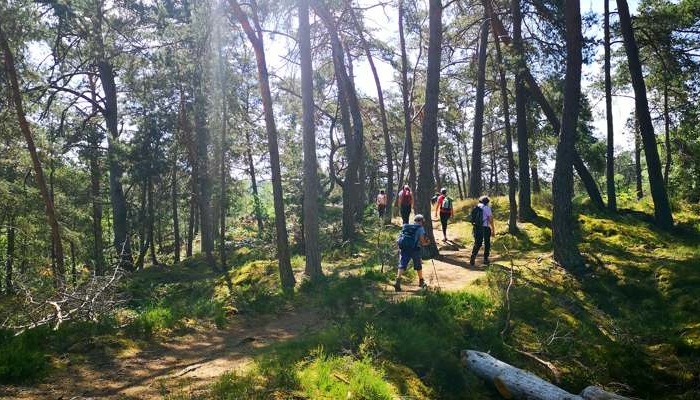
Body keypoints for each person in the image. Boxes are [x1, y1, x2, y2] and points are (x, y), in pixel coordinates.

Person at [394, 214, 431, 291]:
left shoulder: (406, 226)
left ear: (415, 221)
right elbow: (422, 242)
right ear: (422, 221)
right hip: (415, 249)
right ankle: (421, 281)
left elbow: (399, 238)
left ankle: (397, 281)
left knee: (402, 264)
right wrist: (427, 243)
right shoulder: (420, 228)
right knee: (418, 265)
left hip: (404, 248)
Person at [470, 195, 495, 266]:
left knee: (477, 243)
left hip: (477, 227)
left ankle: (473, 256)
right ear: (487, 202)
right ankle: (485, 259)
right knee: (487, 243)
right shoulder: (487, 208)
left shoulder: (477, 206)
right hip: (485, 227)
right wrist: (493, 229)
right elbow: (490, 220)